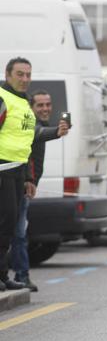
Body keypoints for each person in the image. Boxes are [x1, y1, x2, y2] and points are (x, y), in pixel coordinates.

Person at [9, 90, 69, 291]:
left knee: (18, 233)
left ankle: (19, 275)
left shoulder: (39, 124)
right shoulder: (28, 124)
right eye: (40, 105)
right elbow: (34, 137)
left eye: (48, 104)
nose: (45, 109)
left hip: (24, 187)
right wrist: (29, 179)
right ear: (31, 108)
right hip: (17, 186)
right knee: (17, 233)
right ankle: (21, 275)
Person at [0, 57, 37, 291]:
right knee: (4, 223)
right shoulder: (3, 98)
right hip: (1, 169)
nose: (25, 79)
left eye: (28, 75)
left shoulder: (23, 102)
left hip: (16, 171)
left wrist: (28, 178)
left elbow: (26, 142)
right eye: (20, 74)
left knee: (10, 226)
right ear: (8, 74)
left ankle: (2, 275)